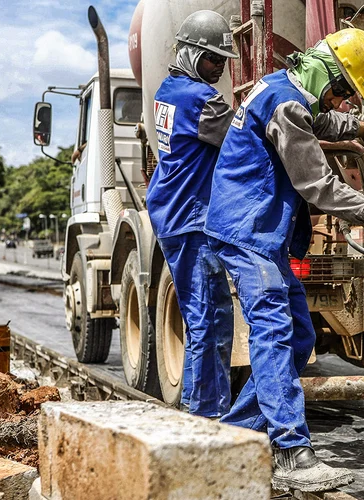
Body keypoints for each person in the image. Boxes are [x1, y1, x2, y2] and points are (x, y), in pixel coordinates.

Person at [205, 28, 364, 492]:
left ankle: (232, 438)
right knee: (274, 333)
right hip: (249, 232)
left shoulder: (285, 88)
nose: (339, 103)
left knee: (298, 337)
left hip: (262, 233)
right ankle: (293, 452)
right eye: (340, 91)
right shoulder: (287, 104)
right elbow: (319, 187)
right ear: (327, 73)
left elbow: (323, 122)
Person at [145, 11, 237, 418]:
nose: (218, 68)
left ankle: (211, 409)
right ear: (191, 53)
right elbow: (243, 138)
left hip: (173, 212)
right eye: (212, 59)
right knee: (205, 320)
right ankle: (202, 416)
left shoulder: (168, 88)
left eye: (223, 61)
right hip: (190, 219)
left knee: (211, 318)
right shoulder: (200, 99)